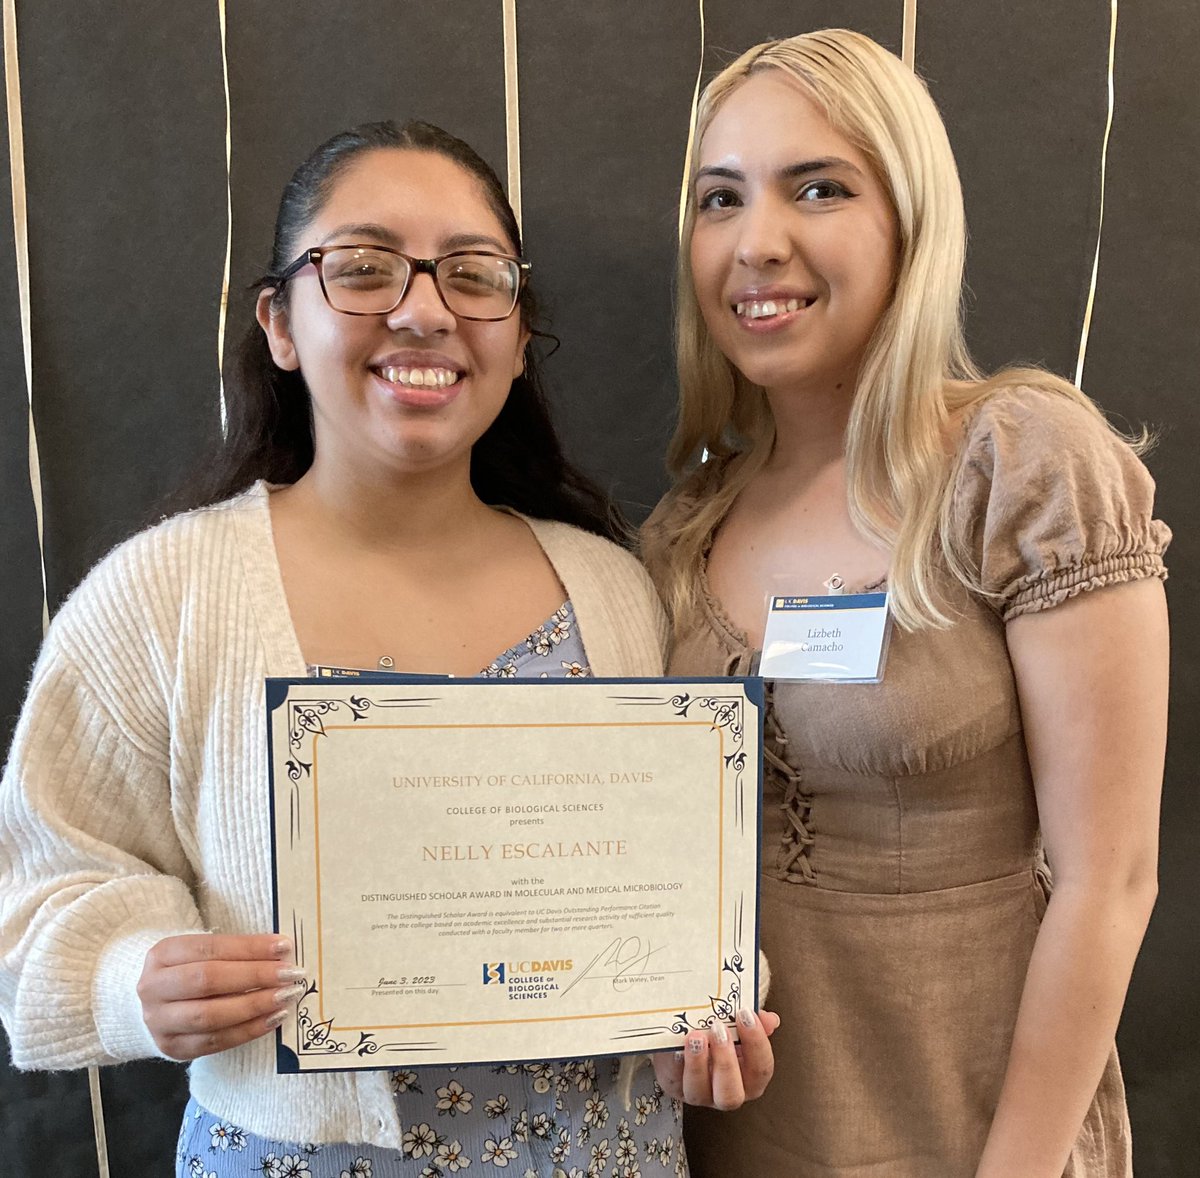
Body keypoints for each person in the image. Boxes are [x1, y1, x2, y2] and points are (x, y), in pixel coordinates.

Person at [0, 120, 775, 1178]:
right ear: (280, 322)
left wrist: (701, 1023)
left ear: (515, 326)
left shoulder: (612, 585)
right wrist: (129, 979)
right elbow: (40, 874)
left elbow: (679, 874)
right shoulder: (166, 594)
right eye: (362, 269)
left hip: (607, 1151)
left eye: (473, 275)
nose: (423, 309)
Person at [642, 29, 1169, 1178]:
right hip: (746, 1142)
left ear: (909, 222)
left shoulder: (1020, 463)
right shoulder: (684, 533)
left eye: (818, 188)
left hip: (978, 1135)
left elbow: (1111, 876)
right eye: (718, 199)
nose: (756, 243)